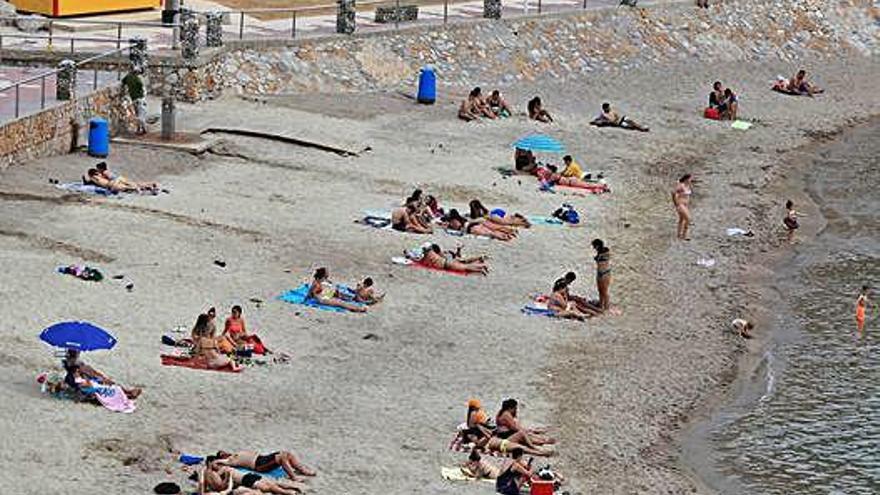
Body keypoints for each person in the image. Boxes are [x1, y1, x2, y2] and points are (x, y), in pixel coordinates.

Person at [200, 456, 305, 494]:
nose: (218, 464)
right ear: (210, 463)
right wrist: (228, 478)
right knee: (269, 487)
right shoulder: (219, 471)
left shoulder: (221, 469)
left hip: (246, 477)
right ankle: (290, 491)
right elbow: (219, 485)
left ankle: (291, 489)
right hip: (245, 479)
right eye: (215, 462)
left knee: (270, 485)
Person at [62, 349, 142, 400]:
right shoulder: (75, 371)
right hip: (88, 385)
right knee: (103, 386)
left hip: (90, 381)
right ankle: (127, 393)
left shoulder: (82, 367)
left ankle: (126, 392)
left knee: (104, 381)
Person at [214, 450, 316, 480]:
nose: (224, 452)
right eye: (222, 454)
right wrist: (217, 460)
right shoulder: (229, 461)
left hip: (262, 458)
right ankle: (293, 476)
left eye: (223, 451)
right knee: (282, 458)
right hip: (259, 465)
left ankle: (302, 470)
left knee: (286, 453)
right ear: (221, 457)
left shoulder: (233, 454)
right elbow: (215, 463)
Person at [442, 209, 516, 241]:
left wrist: (448, 227)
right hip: (474, 223)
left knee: (490, 233)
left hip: (469, 228)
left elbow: (458, 227)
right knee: (492, 229)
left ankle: (504, 237)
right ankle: (509, 232)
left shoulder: (454, 221)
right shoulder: (460, 218)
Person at [420, 243, 489, 275]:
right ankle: (480, 263)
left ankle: (481, 267)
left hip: (448, 262)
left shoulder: (433, 255)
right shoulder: (436, 254)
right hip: (449, 260)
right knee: (464, 262)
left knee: (465, 265)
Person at [85, 168, 158, 194]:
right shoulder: (95, 177)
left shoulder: (95, 178)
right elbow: (88, 181)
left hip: (111, 184)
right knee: (131, 184)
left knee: (128, 187)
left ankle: (147, 187)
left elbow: (87, 182)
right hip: (113, 183)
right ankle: (149, 185)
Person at [122, 70, 147, 134]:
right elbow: (141, 85)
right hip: (140, 98)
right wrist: (141, 93)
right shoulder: (137, 79)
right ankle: (143, 129)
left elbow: (123, 82)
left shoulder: (128, 77)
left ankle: (139, 129)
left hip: (133, 98)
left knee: (137, 113)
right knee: (141, 114)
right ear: (137, 73)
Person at [592, 239, 612, 311]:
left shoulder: (605, 252)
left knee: (605, 291)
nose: (593, 248)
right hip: (600, 273)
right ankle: (601, 305)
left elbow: (604, 257)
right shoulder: (601, 252)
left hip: (605, 273)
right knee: (600, 290)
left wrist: (598, 257)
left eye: (594, 246)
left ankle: (607, 307)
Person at [672, 174, 693, 240]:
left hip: (685, 204)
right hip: (681, 204)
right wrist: (676, 202)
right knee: (688, 218)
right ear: (686, 179)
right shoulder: (681, 186)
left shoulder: (688, 186)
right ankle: (684, 235)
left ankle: (679, 234)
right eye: (690, 179)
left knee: (681, 219)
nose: (691, 180)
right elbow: (673, 192)